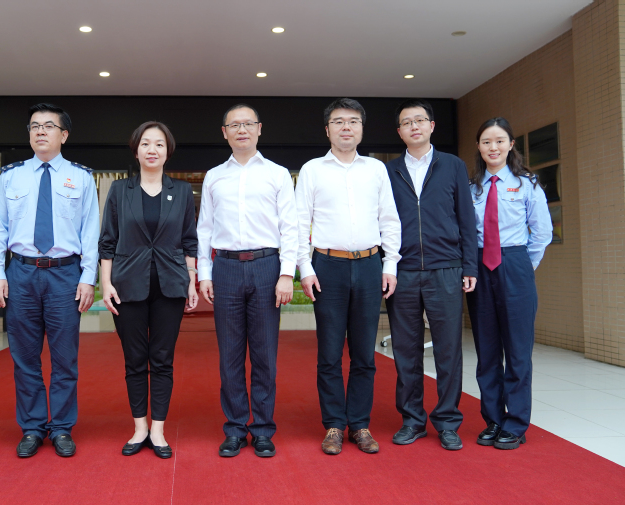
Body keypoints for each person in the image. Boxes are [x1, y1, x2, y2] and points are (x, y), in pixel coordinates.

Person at [0, 103, 99, 458]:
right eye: (34, 126)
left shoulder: (81, 177)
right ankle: (33, 427)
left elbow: (90, 231)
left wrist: (88, 278)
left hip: (65, 274)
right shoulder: (11, 177)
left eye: (49, 126)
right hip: (21, 273)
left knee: (65, 358)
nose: (40, 131)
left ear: (63, 135)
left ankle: (62, 427)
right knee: (24, 358)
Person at [296, 98, 401, 456]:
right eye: (338, 121)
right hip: (328, 266)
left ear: (361, 129)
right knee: (329, 352)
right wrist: (306, 268)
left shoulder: (375, 169)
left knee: (364, 353)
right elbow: (299, 222)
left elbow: (389, 219)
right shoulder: (312, 170)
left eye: (353, 121)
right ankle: (333, 425)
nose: (346, 127)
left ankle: (359, 424)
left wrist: (390, 265)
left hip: (370, 264)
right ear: (327, 129)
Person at [197, 104, 297, 458]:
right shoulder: (214, 176)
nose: (242, 130)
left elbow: (290, 227)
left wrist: (286, 273)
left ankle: (263, 428)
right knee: (230, 354)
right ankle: (236, 428)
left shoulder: (278, 174)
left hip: (267, 266)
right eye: (234, 125)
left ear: (259, 129)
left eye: (248, 124)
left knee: (265, 353)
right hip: (225, 267)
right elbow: (205, 228)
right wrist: (204, 273)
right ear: (224, 132)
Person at [98, 122, 198, 459]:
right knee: (135, 360)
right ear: (136, 150)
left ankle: (158, 430)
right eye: (145, 143)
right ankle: (139, 427)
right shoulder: (119, 190)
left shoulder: (181, 191)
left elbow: (189, 240)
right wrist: (106, 283)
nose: (152, 149)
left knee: (163, 359)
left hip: (170, 285)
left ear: (168, 151)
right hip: (127, 285)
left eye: (159, 144)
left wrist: (191, 279)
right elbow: (107, 241)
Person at [384, 99, 478, 451]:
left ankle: (448, 421)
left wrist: (469, 265)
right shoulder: (389, 171)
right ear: (400, 132)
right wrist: (385, 266)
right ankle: (412, 420)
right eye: (407, 122)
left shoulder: (452, 165)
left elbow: (466, 218)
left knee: (448, 350)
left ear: (432, 126)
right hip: (404, 271)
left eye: (420, 120)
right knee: (405, 350)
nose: (414, 126)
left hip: (446, 268)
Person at [467, 117, 552, 450]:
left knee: (517, 351)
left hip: (515, 263)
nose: (493, 147)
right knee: (487, 351)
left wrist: (524, 267)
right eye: (486, 141)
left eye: (500, 141)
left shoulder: (527, 184)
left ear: (511, 144)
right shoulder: (472, 187)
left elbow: (541, 231)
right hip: (479, 267)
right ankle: (493, 420)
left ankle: (515, 423)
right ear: (479, 147)